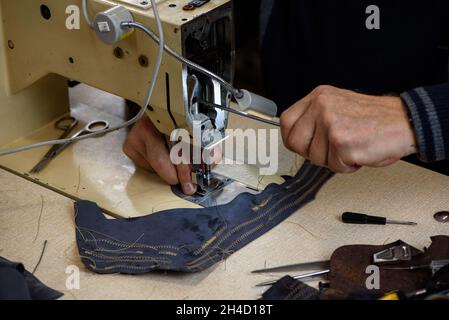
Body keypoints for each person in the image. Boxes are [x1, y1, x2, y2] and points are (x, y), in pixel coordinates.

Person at [123, 0, 449, 195]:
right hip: (291, 168)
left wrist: (416, 116)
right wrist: (159, 96)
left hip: (425, 191)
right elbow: (190, 18)